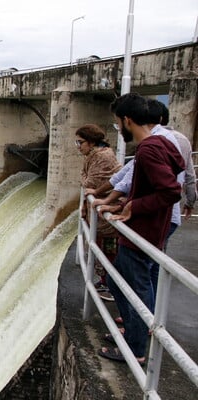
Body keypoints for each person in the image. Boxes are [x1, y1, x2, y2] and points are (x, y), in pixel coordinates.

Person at [96, 93, 184, 366]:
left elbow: (170, 190)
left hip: (143, 231)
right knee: (118, 281)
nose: (119, 129)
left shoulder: (149, 148)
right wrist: (127, 203)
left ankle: (135, 349)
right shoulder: (162, 144)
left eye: (118, 123)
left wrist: (136, 207)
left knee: (134, 286)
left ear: (128, 120)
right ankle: (133, 334)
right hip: (145, 229)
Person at [75, 124, 122, 301]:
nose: (78, 146)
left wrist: (88, 184)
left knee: (108, 250)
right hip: (99, 214)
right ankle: (105, 281)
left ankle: (110, 285)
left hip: (105, 217)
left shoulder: (102, 157)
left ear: (91, 142)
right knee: (102, 249)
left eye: (80, 142)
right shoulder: (96, 156)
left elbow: (90, 183)